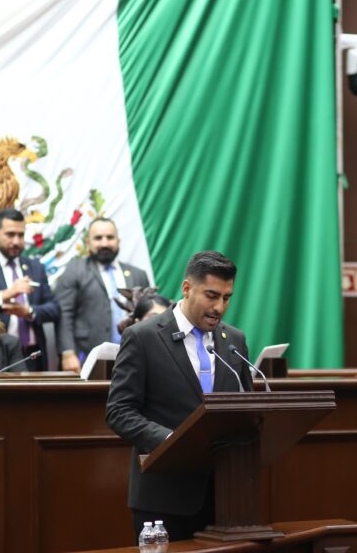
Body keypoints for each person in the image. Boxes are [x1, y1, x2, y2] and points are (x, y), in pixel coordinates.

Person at [105, 251, 252, 541]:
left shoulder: (234, 340)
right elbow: (119, 411)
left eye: (226, 297)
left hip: (225, 496)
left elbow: (246, 406)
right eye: (211, 295)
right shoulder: (142, 337)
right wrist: (172, 441)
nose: (219, 307)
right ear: (186, 288)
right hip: (163, 499)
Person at [0, 208, 60, 371]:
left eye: (20, 235)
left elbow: (54, 309)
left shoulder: (35, 267)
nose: (16, 241)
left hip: (32, 355)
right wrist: (6, 295)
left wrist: (29, 311)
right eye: (10, 234)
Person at [54, 217, 149, 372]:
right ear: (87, 242)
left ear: (118, 240)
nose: (105, 243)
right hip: (87, 357)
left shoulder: (138, 274)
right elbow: (64, 313)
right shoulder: (75, 270)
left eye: (110, 238)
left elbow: (148, 316)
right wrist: (67, 353)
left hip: (133, 357)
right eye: (98, 238)